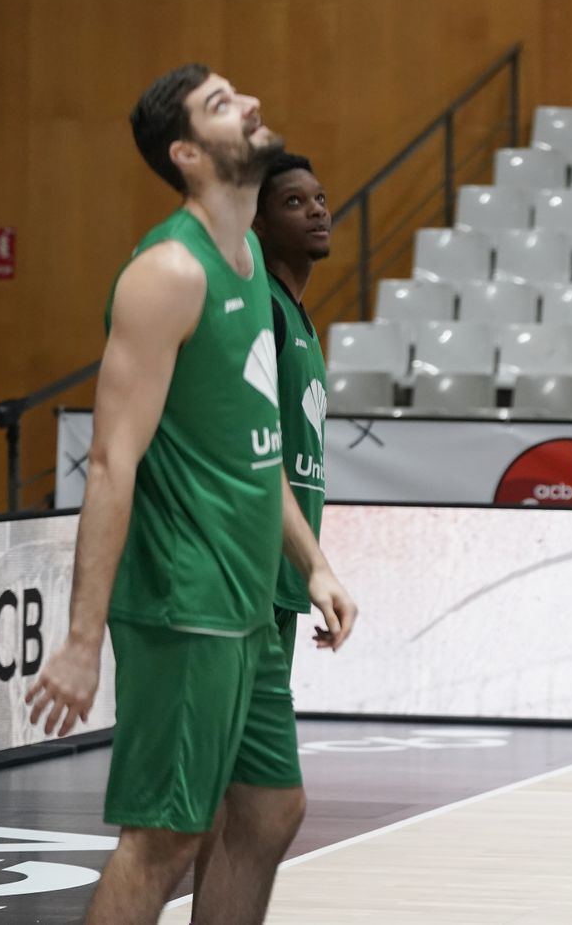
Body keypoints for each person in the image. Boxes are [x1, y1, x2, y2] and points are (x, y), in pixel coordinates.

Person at [24, 64, 358, 925]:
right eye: (221, 104)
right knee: (165, 838)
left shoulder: (248, 262)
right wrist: (80, 639)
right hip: (184, 601)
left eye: (241, 91)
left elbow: (255, 451)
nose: (250, 102)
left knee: (268, 810)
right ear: (187, 153)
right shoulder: (170, 272)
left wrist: (313, 564)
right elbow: (109, 463)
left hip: (247, 604)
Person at [191, 152, 333, 916]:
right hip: (240, 580)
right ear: (256, 219)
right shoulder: (261, 312)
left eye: (319, 197)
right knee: (222, 792)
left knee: (252, 798)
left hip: (277, 581)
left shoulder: (298, 315)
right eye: (293, 201)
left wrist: (314, 567)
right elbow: (252, 453)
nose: (317, 210)